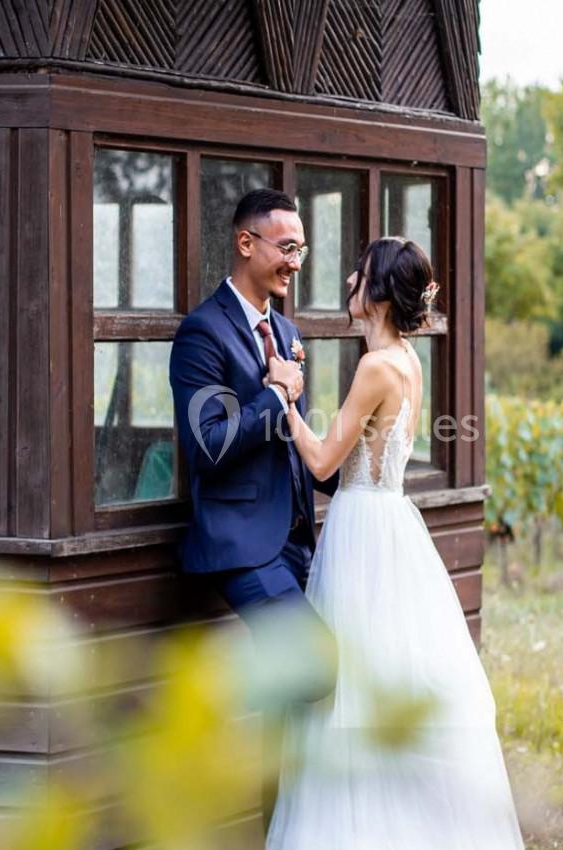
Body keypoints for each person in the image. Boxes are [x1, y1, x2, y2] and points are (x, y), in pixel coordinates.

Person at [265, 237, 525, 849]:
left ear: (376, 293)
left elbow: (326, 460)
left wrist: (286, 396)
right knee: (381, 677)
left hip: (361, 531)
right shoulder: (408, 360)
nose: (349, 282)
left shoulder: (376, 366)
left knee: (349, 691)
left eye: (358, 277)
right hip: (392, 527)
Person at [168, 188, 339, 704]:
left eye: (301, 251)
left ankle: (278, 784)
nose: (295, 263)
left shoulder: (286, 331)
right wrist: (275, 391)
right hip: (240, 544)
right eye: (286, 248)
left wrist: (353, 469)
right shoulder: (202, 332)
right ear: (246, 242)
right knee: (318, 665)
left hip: (297, 541)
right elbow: (209, 446)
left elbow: (294, 439)